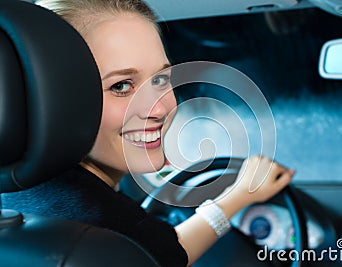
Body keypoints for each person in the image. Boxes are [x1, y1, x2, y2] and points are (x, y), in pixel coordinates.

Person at [2, 0, 295, 266]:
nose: (159, 108)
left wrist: (237, 198)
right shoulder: (104, 231)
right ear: (52, 99)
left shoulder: (21, 197)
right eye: (121, 86)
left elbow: (164, 252)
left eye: (161, 78)